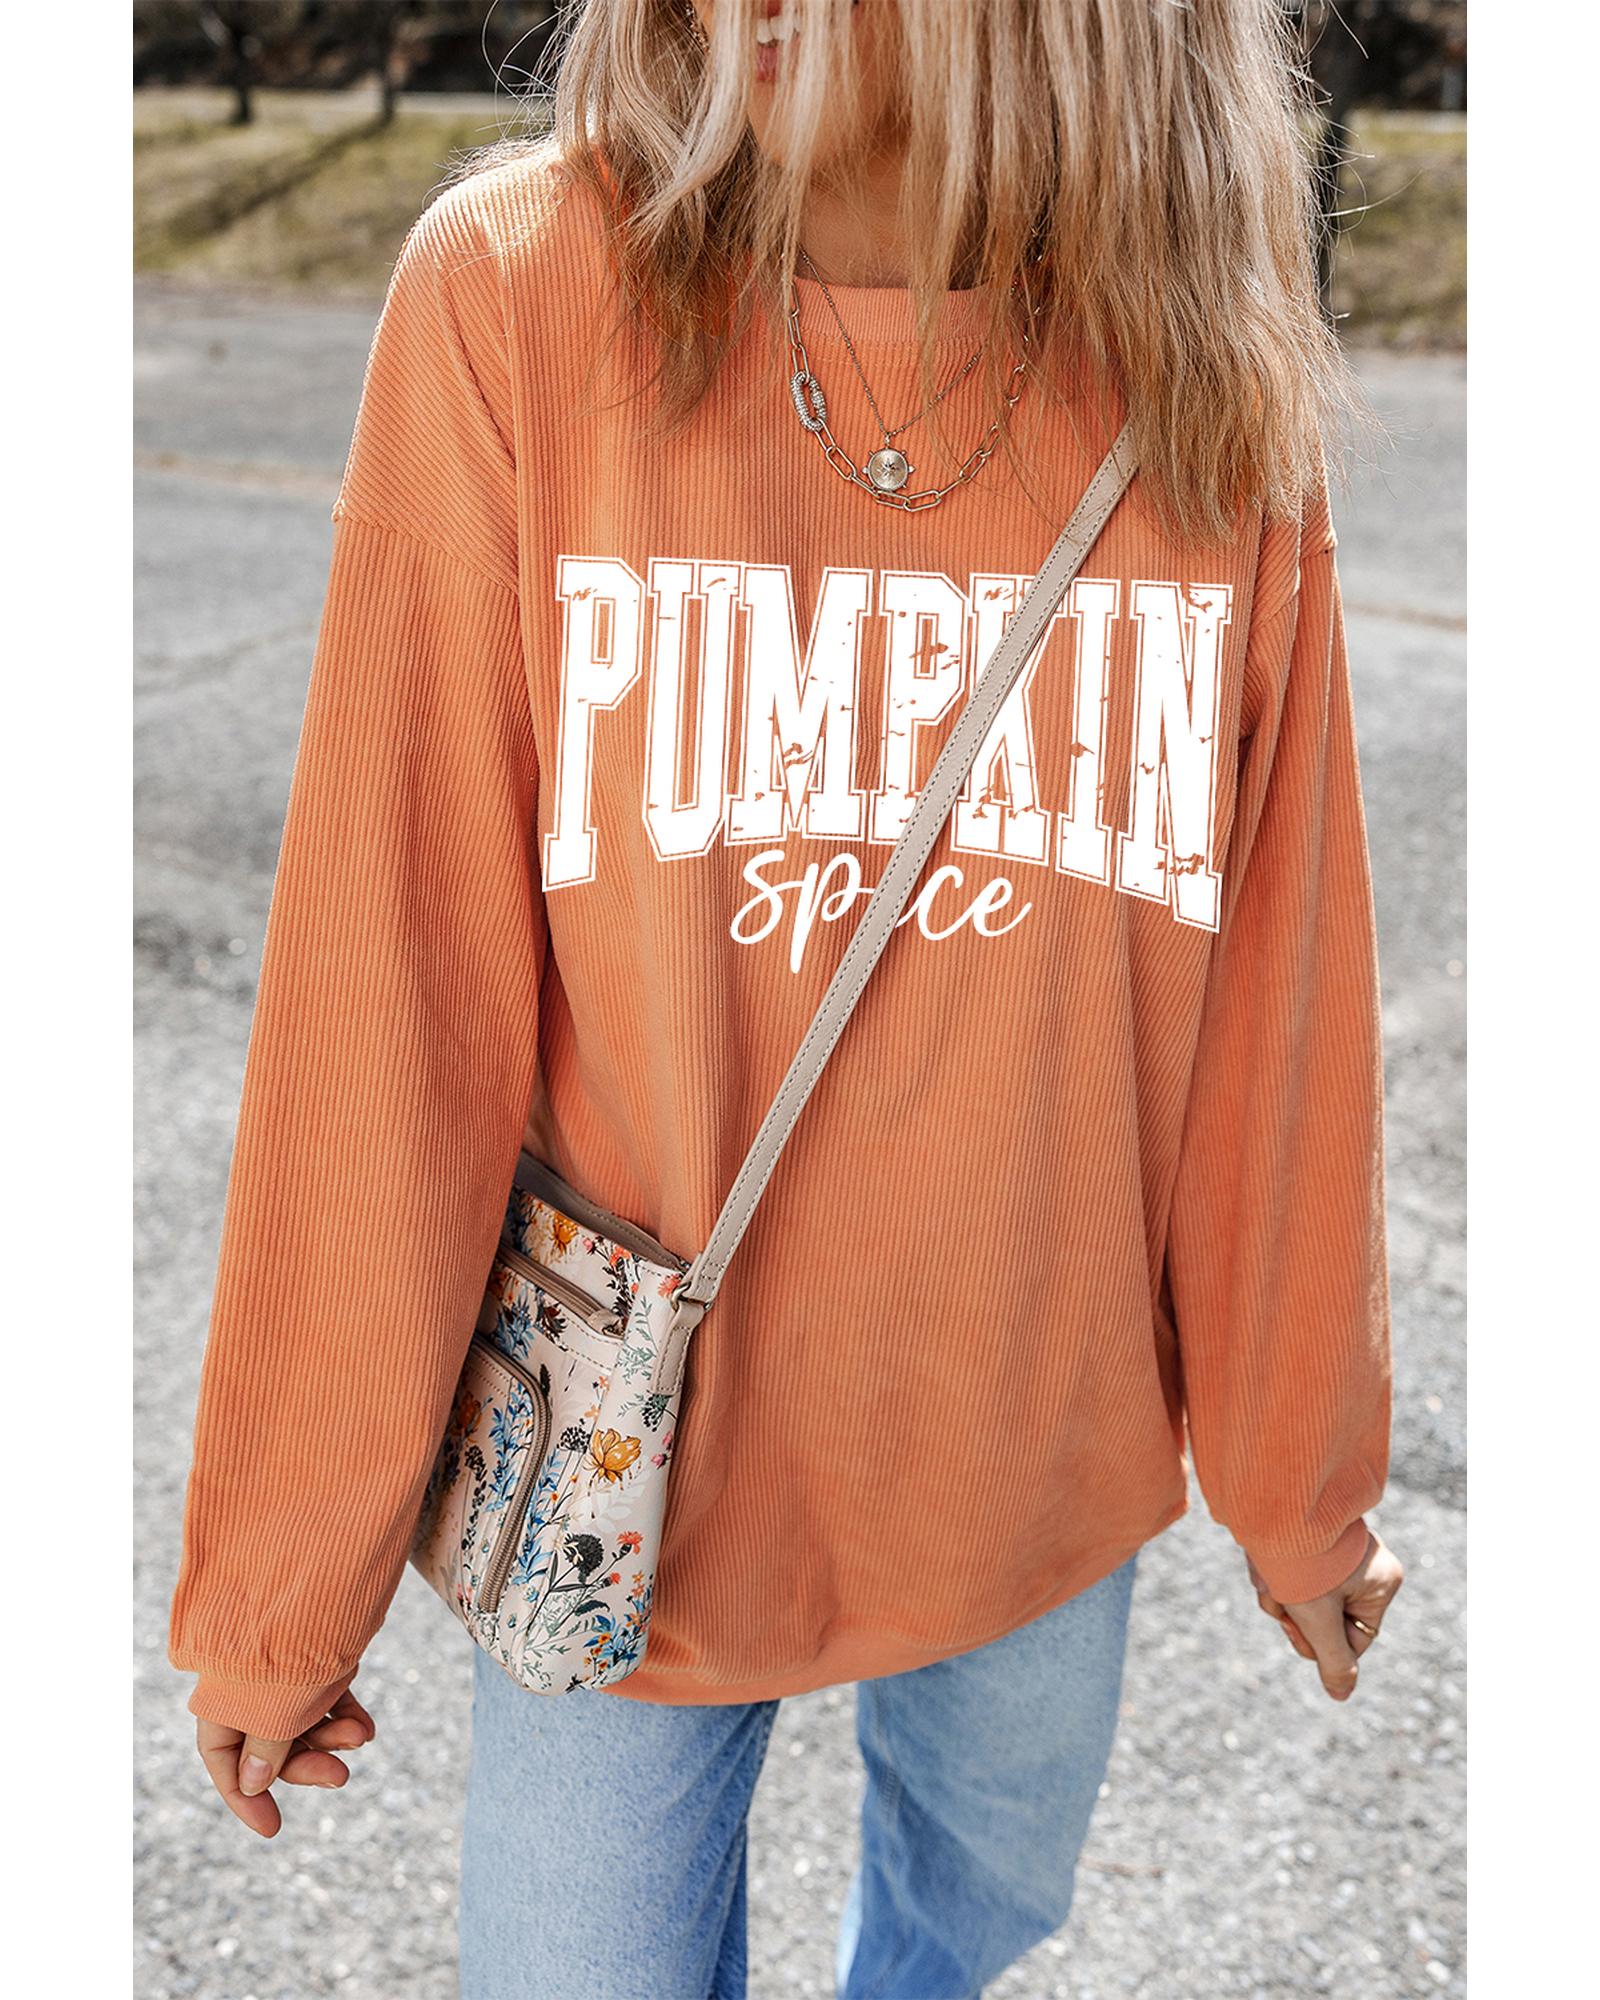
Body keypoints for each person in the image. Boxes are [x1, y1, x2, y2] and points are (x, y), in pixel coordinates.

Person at [167, 2, 1405, 1994]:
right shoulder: (519, 298)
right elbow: (390, 990)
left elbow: (1279, 1000)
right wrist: (278, 1576)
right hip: (625, 1476)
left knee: (969, 1926)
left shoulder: (1194, 367)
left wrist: (1302, 1486)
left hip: (1032, 1437)